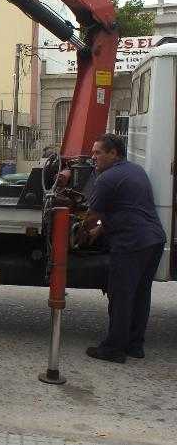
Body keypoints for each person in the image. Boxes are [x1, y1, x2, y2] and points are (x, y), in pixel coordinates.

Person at [80, 133, 165, 363]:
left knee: (121, 295)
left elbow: (92, 216)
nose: (93, 157)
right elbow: (125, 209)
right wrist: (101, 230)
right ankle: (134, 345)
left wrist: (82, 230)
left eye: (98, 152)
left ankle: (113, 349)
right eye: (93, 152)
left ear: (113, 153)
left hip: (131, 243)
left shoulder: (106, 178)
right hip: (154, 240)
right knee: (140, 294)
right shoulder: (135, 170)